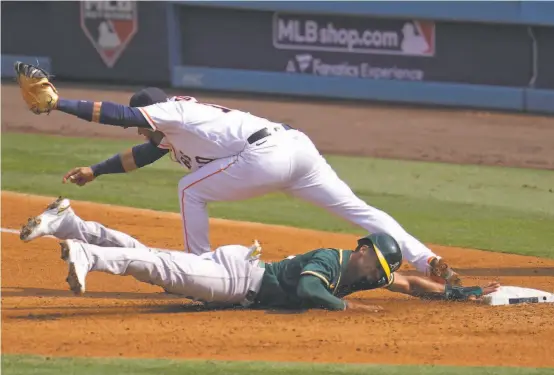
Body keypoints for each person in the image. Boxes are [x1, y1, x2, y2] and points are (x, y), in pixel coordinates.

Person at [14, 61, 460, 285]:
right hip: (297, 148)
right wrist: (96, 171)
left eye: (141, 119)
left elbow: (110, 113)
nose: (140, 126)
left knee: (190, 190)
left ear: (150, 109)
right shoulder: (173, 130)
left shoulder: (170, 111)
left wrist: (61, 105)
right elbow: (143, 154)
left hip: (265, 154)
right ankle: (426, 260)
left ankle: (203, 270)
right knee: (358, 210)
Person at [20, 198, 499, 311]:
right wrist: (344, 306)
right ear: (363, 250)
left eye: (384, 268)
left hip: (237, 267)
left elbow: (414, 284)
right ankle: (86, 253)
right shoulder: (333, 261)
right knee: (159, 265)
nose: (380, 272)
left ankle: (71, 224)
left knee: (155, 258)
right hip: (237, 282)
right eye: (378, 262)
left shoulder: (369, 274)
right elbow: (312, 288)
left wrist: (464, 293)